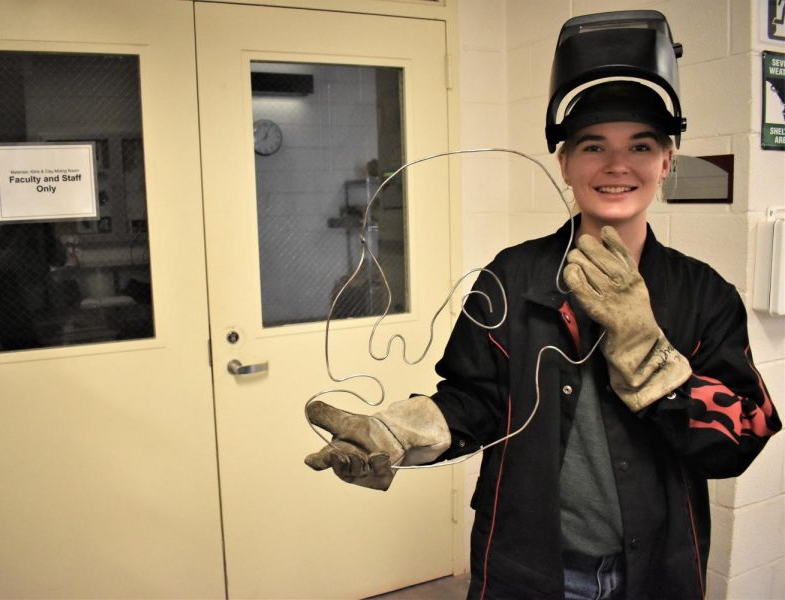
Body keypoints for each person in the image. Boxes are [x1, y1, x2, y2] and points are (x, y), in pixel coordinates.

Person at [304, 10, 781, 600]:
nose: (616, 164)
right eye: (592, 146)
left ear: (666, 162)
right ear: (564, 163)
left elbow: (740, 439)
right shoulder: (513, 273)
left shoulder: (704, 293)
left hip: (655, 570)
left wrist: (649, 354)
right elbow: (473, 400)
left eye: (640, 145)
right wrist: (404, 431)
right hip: (527, 565)